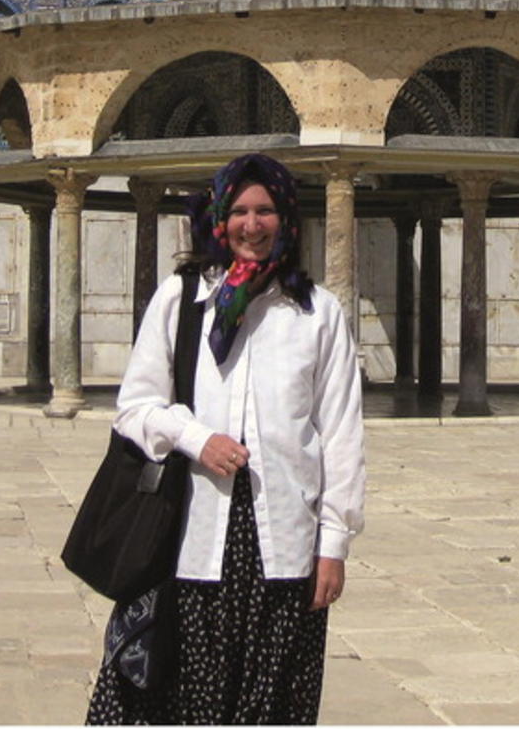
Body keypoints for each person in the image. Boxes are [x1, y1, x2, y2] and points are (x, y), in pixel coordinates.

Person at [85, 153, 366, 725]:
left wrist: (333, 543)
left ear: (286, 218)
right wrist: (195, 438)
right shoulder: (183, 298)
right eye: (239, 211)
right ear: (218, 217)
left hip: (285, 544)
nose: (252, 225)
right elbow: (134, 408)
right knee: (188, 703)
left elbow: (340, 433)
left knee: (274, 705)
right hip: (192, 540)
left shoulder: (317, 312)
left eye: (265, 211)